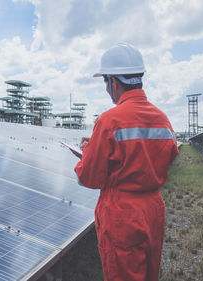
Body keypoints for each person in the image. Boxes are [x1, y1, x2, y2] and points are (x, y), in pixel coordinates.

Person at [74, 43, 179, 281]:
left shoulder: (109, 120)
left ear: (114, 81)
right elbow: (168, 155)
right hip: (153, 208)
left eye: (105, 82)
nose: (106, 88)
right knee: (149, 273)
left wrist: (87, 155)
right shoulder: (163, 119)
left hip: (121, 214)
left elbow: (89, 176)